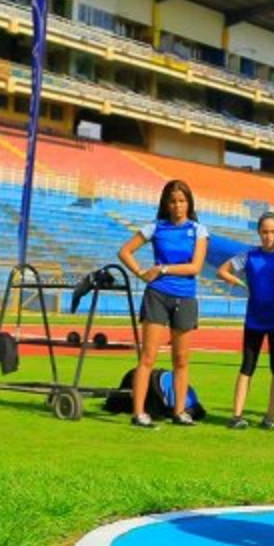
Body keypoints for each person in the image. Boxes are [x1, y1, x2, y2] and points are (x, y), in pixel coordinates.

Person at [117, 179, 208, 429]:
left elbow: (195, 267)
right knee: (148, 357)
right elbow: (124, 251)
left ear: (189, 203)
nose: (178, 206)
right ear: (166, 204)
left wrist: (163, 268)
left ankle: (179, 412)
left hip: (185, 297)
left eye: (182, 201)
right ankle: (139, 413)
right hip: (157, 295)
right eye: (173, 201)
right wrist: (141, 273)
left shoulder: (198, 230)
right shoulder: (155, 227)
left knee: (181, 360)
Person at [217, 211, 274, 430]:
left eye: (272, 231)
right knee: (247, 367)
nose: (268, 236)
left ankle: (270, 417)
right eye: (264, 232)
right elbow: (222, 271)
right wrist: (240, 283)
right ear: (259, 232)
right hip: (254, 321)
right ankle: (237, 415)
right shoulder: (249, 256)